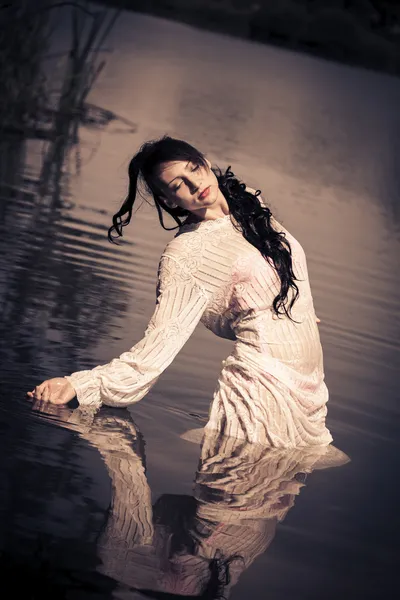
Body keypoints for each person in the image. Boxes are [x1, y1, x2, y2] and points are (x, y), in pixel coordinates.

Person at [27, 135, 332, 447]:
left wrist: (299, 305)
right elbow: (155, 349)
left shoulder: (250, 204)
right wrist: (77, 385)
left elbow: (284, 262)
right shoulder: (186, 254)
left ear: (206, 162)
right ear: (170, 201)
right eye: (178, 185)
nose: (194, 184)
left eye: (194, 169)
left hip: (309, 391)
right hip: (260, 391)